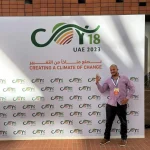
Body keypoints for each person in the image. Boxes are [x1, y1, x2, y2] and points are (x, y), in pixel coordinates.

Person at [96, 64, 135, 147]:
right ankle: (106, 138)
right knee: (108, 122)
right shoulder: (108, 81)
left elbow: (132, 88)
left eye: (113, 69)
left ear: (117, 69)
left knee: (123, 122)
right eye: (111, 70)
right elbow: (102, 90)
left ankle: (123, 139)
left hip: (121, 104)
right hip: (111, 105)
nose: (112, 71)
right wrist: (97, 83)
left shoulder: (124, 78)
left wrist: (127, 98)